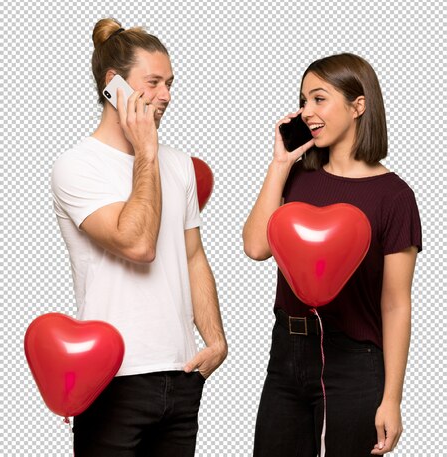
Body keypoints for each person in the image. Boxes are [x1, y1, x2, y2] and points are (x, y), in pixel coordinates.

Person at [51, 18, 227, 456]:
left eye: (170, 83)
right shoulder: (77, 165)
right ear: (114, 86)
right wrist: (146, 152)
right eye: (153, 82)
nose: (166, 95)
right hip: (113, 378)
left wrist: (216, 340)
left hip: (182, 374)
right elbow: (137, 244)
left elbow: (192, 256)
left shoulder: (180, 163)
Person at [243, 53, 422, 456]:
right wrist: (279, 163)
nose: (306, 111)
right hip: (287, 352)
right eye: (303, 100)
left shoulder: (394, 197)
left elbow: (395, 304)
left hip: (355, 361)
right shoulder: (298, 176)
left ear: (359, 105)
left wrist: (392, 399)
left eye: (319, 99)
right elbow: (256, 247)